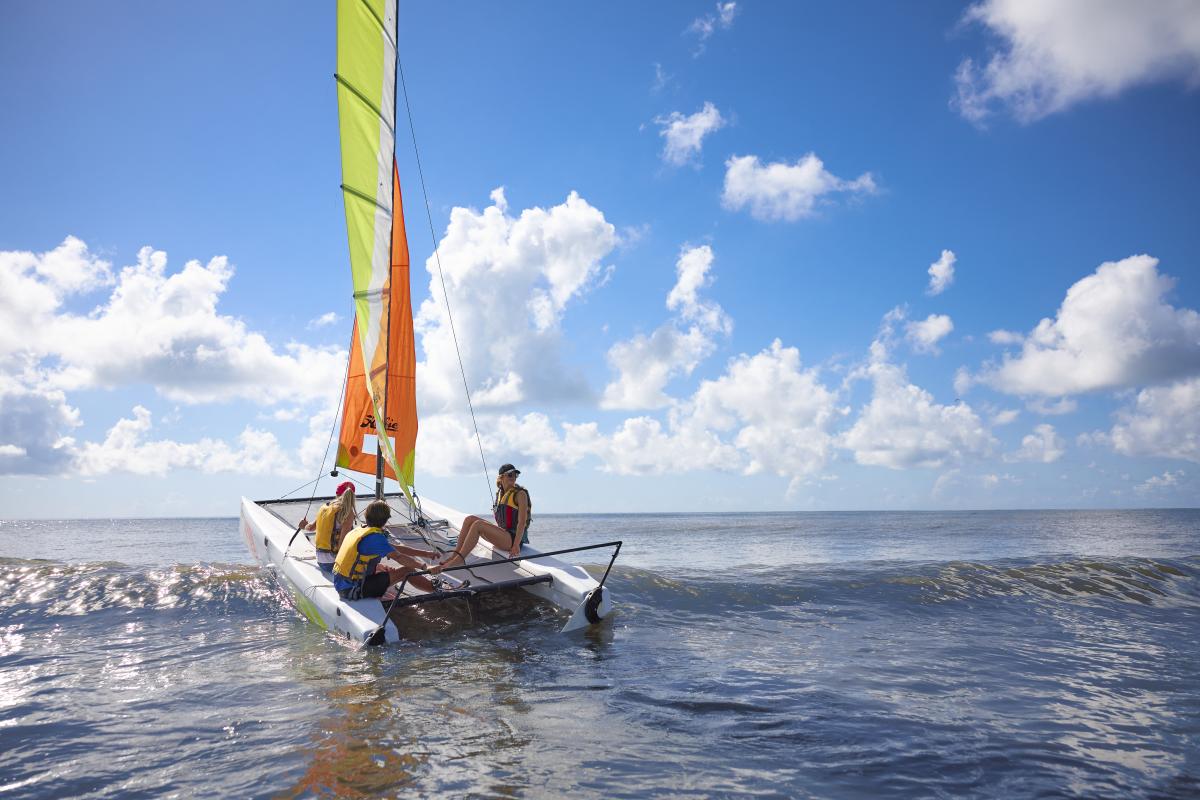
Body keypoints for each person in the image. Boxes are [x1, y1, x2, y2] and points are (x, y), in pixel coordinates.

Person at [431, 463, 530, 574]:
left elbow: (522, 522)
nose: (514, 477)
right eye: (510, 475)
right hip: (504, 535)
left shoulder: (520, 494)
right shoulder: (501, 494)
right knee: (469, 519)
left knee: (478, 525)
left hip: (513, 540)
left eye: (515, 475)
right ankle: (455, 555)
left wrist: (516, 545)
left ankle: (458, 560)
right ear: (501, 477)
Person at [333, 499, 439, 599]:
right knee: (407, 571)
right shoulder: (375, 537)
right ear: (385, 521)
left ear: (366, 516)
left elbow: (396, 548)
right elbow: (399, 556)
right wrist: (425, 566)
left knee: (395, 571)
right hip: (353, 589)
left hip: (341, 583)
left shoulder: (360, 531)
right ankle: (436, 590)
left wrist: (426, 554)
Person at [299, 481, 357, 574]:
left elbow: (310, 528)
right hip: (334, 563)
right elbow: (343, 543)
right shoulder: (348, 512)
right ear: (353, 496)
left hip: (321, 561)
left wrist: (303, 525)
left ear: (336, 494)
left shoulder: (325, 507)